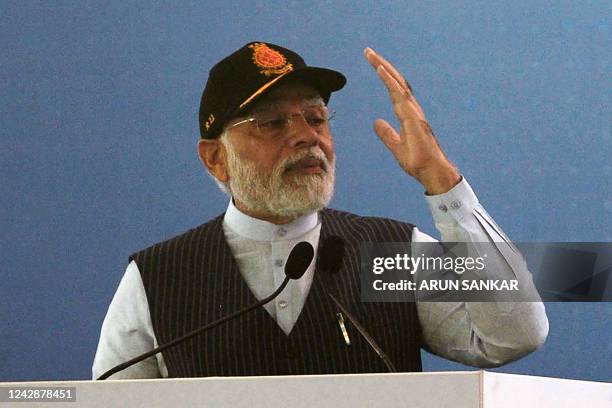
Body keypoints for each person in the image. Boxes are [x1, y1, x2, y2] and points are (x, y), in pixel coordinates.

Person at [92, 42, 548, 379]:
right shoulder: (160, 276)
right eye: (271, 123)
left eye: (315, 118)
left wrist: (442, 180)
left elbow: (513, 335)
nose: (306, 136)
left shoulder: (384, 256)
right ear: (215, 157)